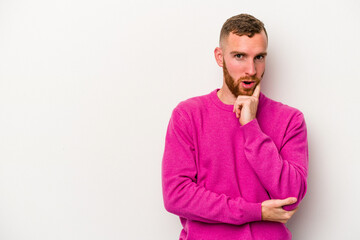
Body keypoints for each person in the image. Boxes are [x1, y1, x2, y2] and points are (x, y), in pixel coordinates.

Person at [162, 13, 308, 240]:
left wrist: (251, 126)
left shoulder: (290, 119)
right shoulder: (188, 115)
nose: (251, 69)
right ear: (220, 57)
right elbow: (176, 195)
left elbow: (291, 196)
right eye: (239, 56)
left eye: (259, 57)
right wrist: (256, 212)